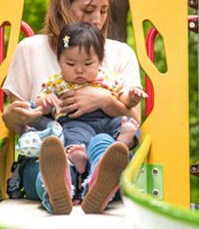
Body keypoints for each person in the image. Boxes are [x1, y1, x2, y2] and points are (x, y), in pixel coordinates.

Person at [2, 0, 142, 214]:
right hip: (51, 151)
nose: (97, 20)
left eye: (103, 10)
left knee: (108, 148)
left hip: (103, 148)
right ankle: (57, 191)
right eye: (88, 10)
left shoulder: (121, 53)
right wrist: (20, 116)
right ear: (63, 5)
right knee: (46, 159)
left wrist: (102, 100)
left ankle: (99, 185)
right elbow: (19, 126)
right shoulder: (31, 49)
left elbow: (132, 122)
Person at [15, 22, 146, 175]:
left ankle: (123, 140)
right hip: (76, 121)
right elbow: (40, 101)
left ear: (99, 61)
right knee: (72, 137)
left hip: (108, 118)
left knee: (128, 123)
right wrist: (47, 100)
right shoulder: (56, 82)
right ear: (60, 61)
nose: (79, 70)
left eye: (88, 63)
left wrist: (132, 97)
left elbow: (123, 98)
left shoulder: (107, 78)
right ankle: (77, 158)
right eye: (70, 64)